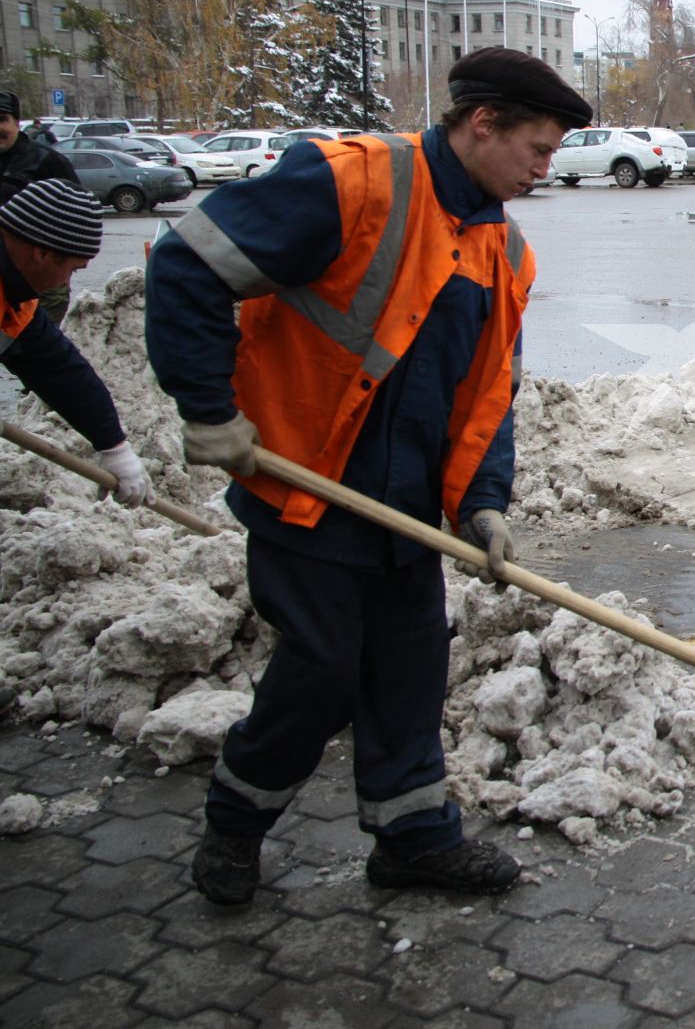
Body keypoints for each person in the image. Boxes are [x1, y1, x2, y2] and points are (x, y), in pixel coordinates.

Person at [145, 48, 590, 906]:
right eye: (536, 147)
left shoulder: (505, 249)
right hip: (305, 489)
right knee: (321, 671)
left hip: (404, 510)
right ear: (481, 122)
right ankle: (235, 826)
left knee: (409, 670)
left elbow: (489, 393)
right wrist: (208, 409)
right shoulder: (351, 182)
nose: (545, 167)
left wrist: (484, 503)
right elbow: (189, 262)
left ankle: (413, 839)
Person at [1, 179, 154, 507]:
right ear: (41, 252)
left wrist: (114, 446)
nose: (66, 283)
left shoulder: (15, 299)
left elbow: (58, 368)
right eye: (72, 269)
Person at [0, 91, 83, 326]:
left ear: (17, 122)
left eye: (2, 119)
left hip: (40, 281)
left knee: (35, 343)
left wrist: (60, 261)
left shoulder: (45, 161)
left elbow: (79, 214)